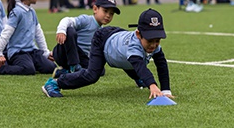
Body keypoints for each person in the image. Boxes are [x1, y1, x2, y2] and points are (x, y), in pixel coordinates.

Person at [42, 8, 174, 99]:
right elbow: (140, 66)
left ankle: (139, 79)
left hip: (117, 40)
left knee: (130, 59)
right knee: (92, 75)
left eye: (157, 40)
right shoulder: (133, 46)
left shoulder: (154, 45)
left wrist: (166, 90)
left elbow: (161, 64)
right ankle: (54, 84)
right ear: (139, 34)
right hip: (102, 40)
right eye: (150, 40)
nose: (154, 44)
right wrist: (152, 85)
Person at [0, 0, 56, 75]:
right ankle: (2, 69)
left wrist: (45, 52)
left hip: (31, 51)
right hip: (18, 53)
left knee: (51, 67)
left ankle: (32, 63)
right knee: (28, 70)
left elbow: (38, 33)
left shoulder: (32, 12)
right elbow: (6, 34)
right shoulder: (17, 12)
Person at [52, 0, 120, 76]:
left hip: (81, 57)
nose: (108, 15)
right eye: (105, 11)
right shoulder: (86, 20)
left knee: (100, 70)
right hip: (64, 53)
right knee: (70, 30)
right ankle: (74, 67)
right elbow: (67, 20)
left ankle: (65, 71)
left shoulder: (102, 31)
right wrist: (61, 30)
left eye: (111, 14)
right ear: (95, 9)